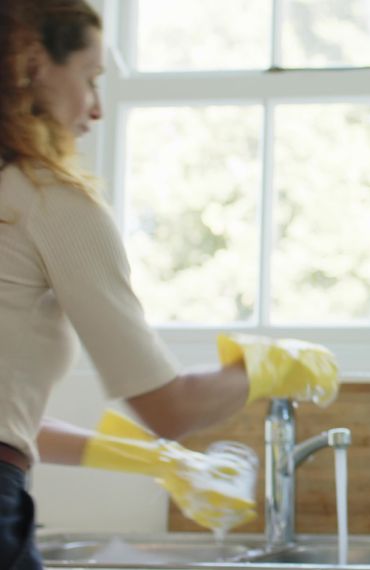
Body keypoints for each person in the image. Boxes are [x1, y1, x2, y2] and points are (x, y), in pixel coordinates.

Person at [0, 2, 339, 568]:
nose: (98, 109)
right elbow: (170, 407)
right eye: (90, 77)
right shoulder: (48, 198)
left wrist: (151, 460)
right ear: (34, 64)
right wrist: (268, 366)